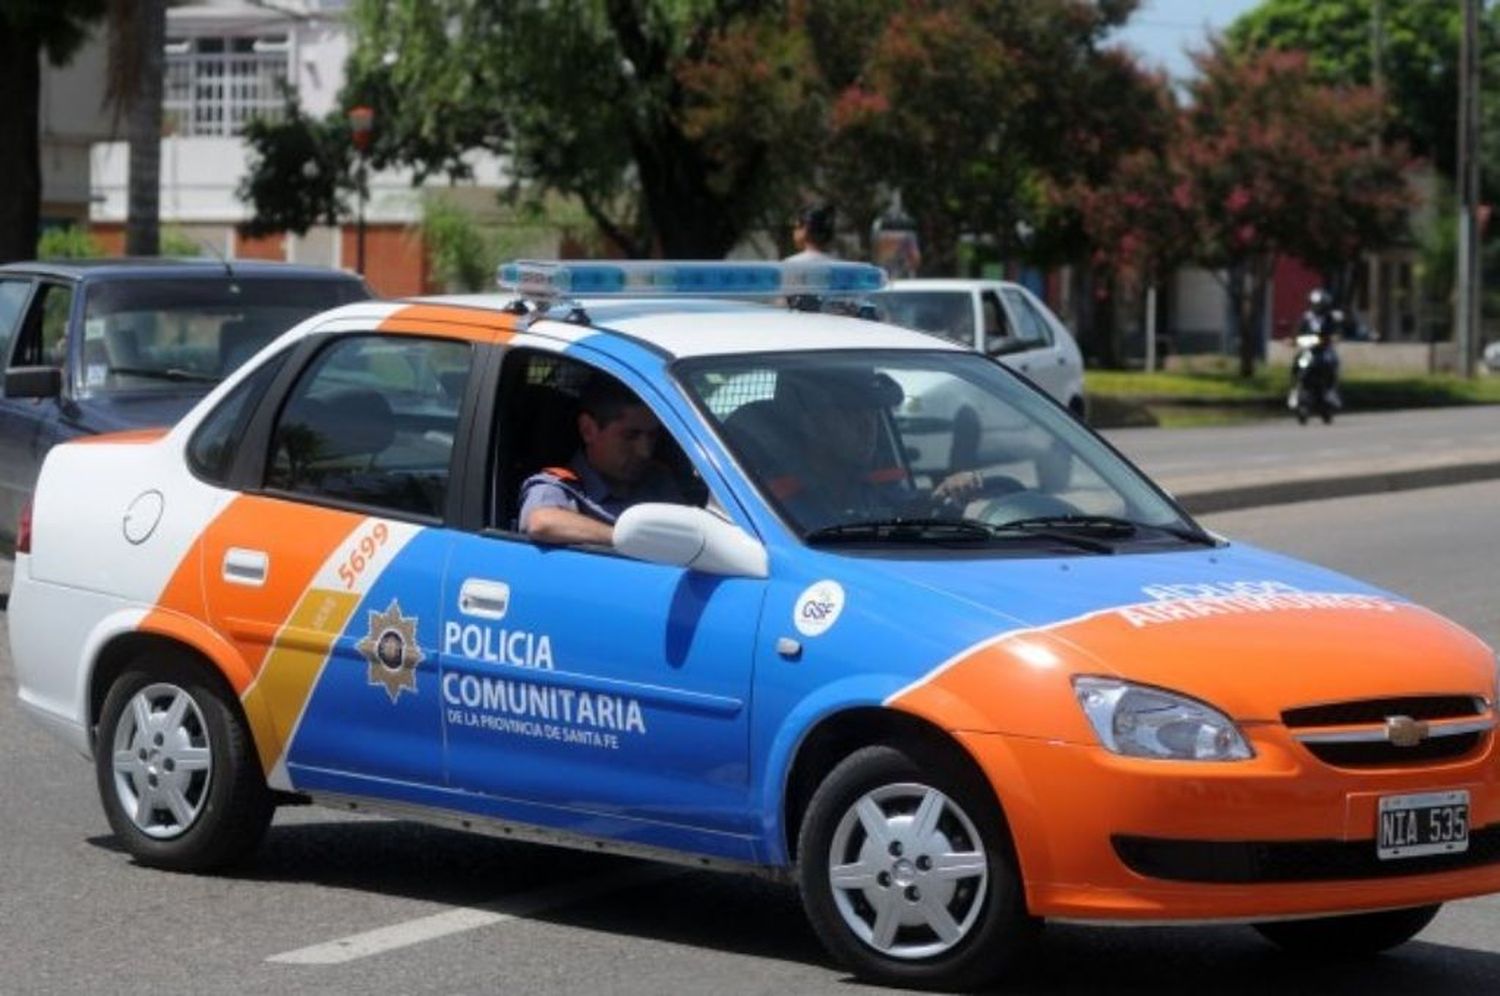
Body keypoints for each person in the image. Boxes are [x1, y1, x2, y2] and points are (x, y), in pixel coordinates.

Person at [768, 369, 983, 531]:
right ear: (811, 424)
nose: (868, 426)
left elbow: (913, 510)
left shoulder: (876, 490)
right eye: (850, 413)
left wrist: (947, 494)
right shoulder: (771, 504)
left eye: (872, 413)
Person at [518, 374, 682, 545]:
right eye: (630, 436)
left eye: (652, 436)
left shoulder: (658, 480)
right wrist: (628, 540)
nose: (645, 451)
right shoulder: (560, 488)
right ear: (588, 430)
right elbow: (541, 522)